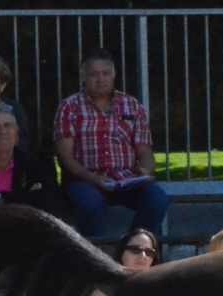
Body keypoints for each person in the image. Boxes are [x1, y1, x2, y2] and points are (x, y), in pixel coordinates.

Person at [53, 49, 168, 238]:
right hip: (85, 180)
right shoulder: (69, 107)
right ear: (83, 77)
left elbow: (145, 150)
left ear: (114, 74)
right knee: (90, 204)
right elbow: (65, 158)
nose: (101, 79)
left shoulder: (132, 105)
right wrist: (92, 178)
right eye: (94, 74)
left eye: (105, 73)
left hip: (125, 180)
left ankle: (135, 250)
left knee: (157, 199)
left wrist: (147, 170)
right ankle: (98, 258)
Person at [0, 102, 60, 214]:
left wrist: (0, 199)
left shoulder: (37, 166)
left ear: (17, 135)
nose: (3, 131)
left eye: (8, 125)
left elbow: (52, 205)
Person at [80, 227, 159, 296]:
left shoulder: (159, 284)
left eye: (149, 252)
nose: (143, 256)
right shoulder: (106, 282)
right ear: (121, 253)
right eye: (135, 249)